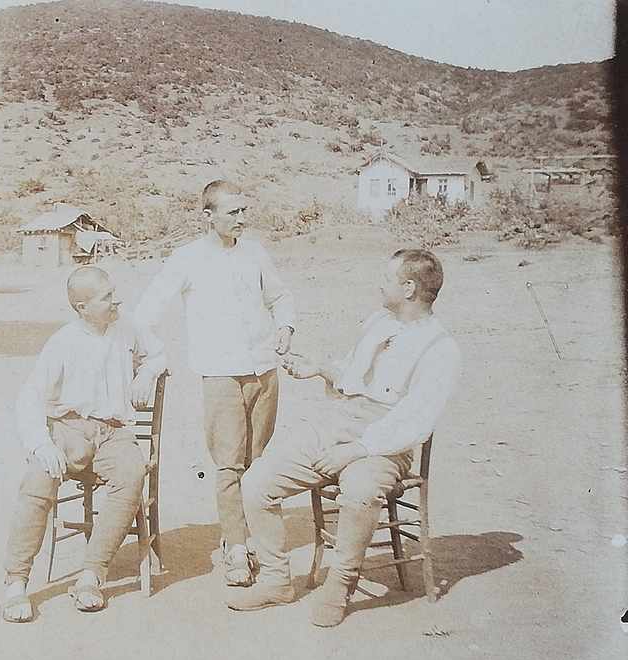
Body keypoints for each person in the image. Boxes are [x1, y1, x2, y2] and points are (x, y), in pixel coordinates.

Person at [230, 248, 461, 627]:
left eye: (386, 280)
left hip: (385, 444)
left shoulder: (441, 349)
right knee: (256, 482)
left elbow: (415, 420)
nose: (378, 285)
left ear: (408, 288)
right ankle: (275, 579)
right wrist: (319, 369)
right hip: (337, 424)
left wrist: (356, 450)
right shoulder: (379, 323)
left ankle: (340, 584)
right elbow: (353, 378)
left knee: (359, 492)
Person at [134, 179, 296, 588]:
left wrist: (286, 327)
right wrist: (154, 358)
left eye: (244, 211)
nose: (242, 219)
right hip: (221, 376)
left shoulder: (256, 253)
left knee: (258, 464)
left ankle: (246, 537)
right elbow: (147, 311)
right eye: (233, 212)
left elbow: (280, 297)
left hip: (264, 372)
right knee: (229, 465)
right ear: (208, 216)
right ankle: (237, 550)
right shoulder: (186, 258)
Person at [2, 266, 166, 623]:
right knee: (37, 482)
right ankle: (16, 582)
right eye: (107, 296)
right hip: (69, 430)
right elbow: (30, 396)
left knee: (131, 474)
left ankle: (91, 573)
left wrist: (146, 373)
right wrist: (42, 444)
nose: (116, 300)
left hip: (113, 433)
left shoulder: (127, 325)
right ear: (81, 307)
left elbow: (159, 353)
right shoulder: (63, 341)